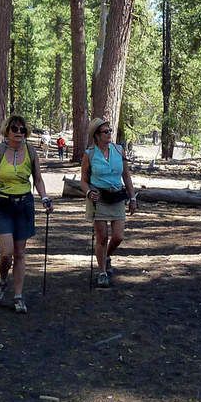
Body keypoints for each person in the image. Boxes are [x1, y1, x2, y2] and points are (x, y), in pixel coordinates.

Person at [0, 114, 52, 313]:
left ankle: (18, 295)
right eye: (14, 129)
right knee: (7, 253)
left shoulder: (31, 150)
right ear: (7, 131)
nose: (18, 132)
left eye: (22, 129)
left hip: (24, 206)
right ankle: (2, 280)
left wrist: (44, 197)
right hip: (1, 205)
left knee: (20, 254)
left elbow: (37, 179)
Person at [81, 116, 137, 287]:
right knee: (102, 237)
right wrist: (89, 192)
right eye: (105, 131)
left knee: (118, 236)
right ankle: (102, 272)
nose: (109, 133)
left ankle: (106, 257)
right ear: (97, 135)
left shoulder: (119, 150)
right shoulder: (89, 154)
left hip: (117, 196)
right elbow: (83, 180)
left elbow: (126, 176)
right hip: (99, 198)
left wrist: (132, 197)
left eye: (110, 130)